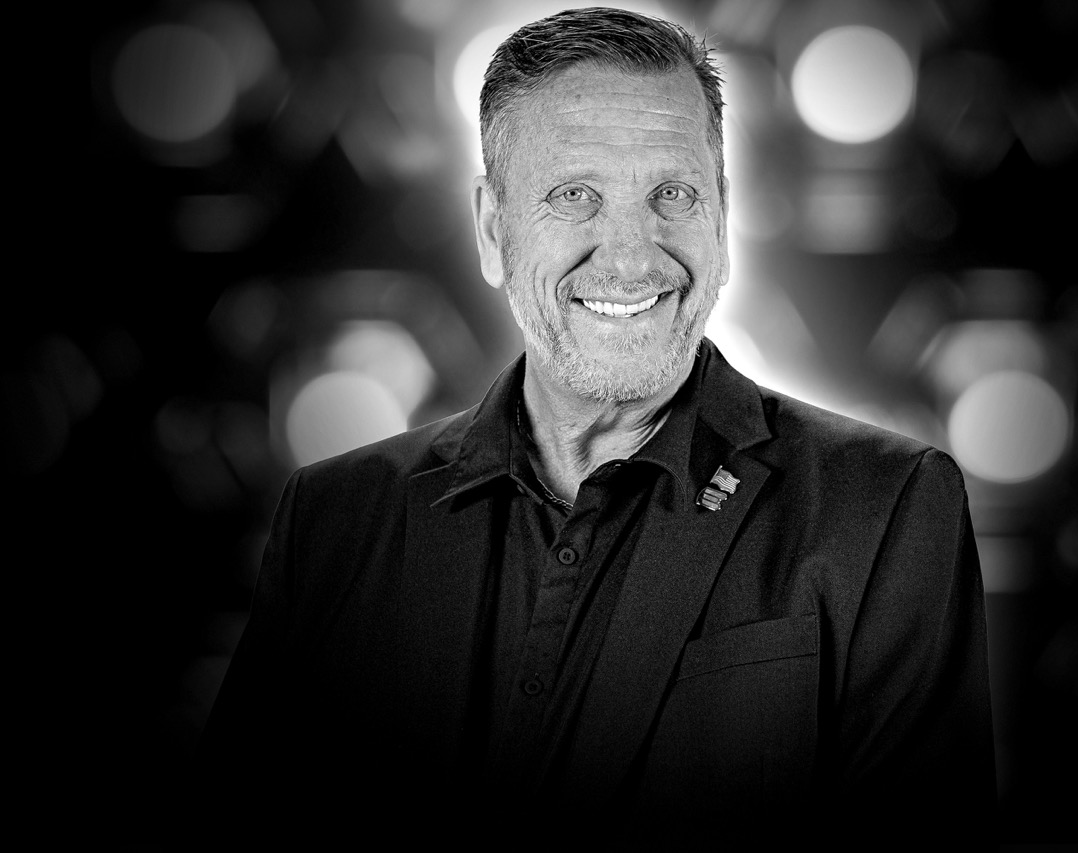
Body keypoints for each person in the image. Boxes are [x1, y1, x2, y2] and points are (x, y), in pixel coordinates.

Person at [198, 6, 995, 847]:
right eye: (574, 196)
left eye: (673, 195)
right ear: (494, 230)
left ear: (723, 220)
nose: (631, 258)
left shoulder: (886, 507)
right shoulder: (333, 518)